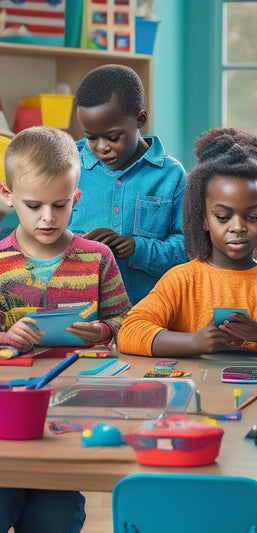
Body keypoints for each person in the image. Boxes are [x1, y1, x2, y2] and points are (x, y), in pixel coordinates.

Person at [0, 126, 131, 533]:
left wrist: (105, 333)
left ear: (76, 198)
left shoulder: (98, 257)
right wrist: (6, 338)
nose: (47, 217)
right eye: (34, 204)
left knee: (54, 517)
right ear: (7, 196)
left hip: (71, 412)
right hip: (10, 416)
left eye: (60, 205)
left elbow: (128, 322)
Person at [118, 128, 257, 358]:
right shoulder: (182, 280)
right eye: (223, 217)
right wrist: (195, 342)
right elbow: (130, 331)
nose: (237, 227)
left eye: (252, 217)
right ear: (204, 219)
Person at [69, 64, 187, 304]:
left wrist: (136, 248)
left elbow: (188, 250)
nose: (101, 148)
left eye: (113, 137)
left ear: (140, 119)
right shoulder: (68, 163)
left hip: (146, 311)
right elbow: (43, 231)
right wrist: (78, 244)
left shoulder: (171, 175)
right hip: (81, 309)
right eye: (91, 137)